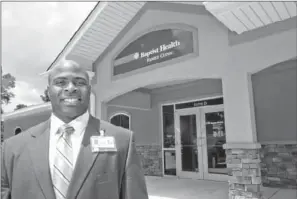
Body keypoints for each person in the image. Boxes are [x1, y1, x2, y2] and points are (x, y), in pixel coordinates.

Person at [1, 60, 149, 199]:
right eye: (60, 82)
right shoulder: (12, 148)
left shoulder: (123, 141)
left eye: (80, 82)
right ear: (48, 91)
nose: (71, 88)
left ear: (89, 90)